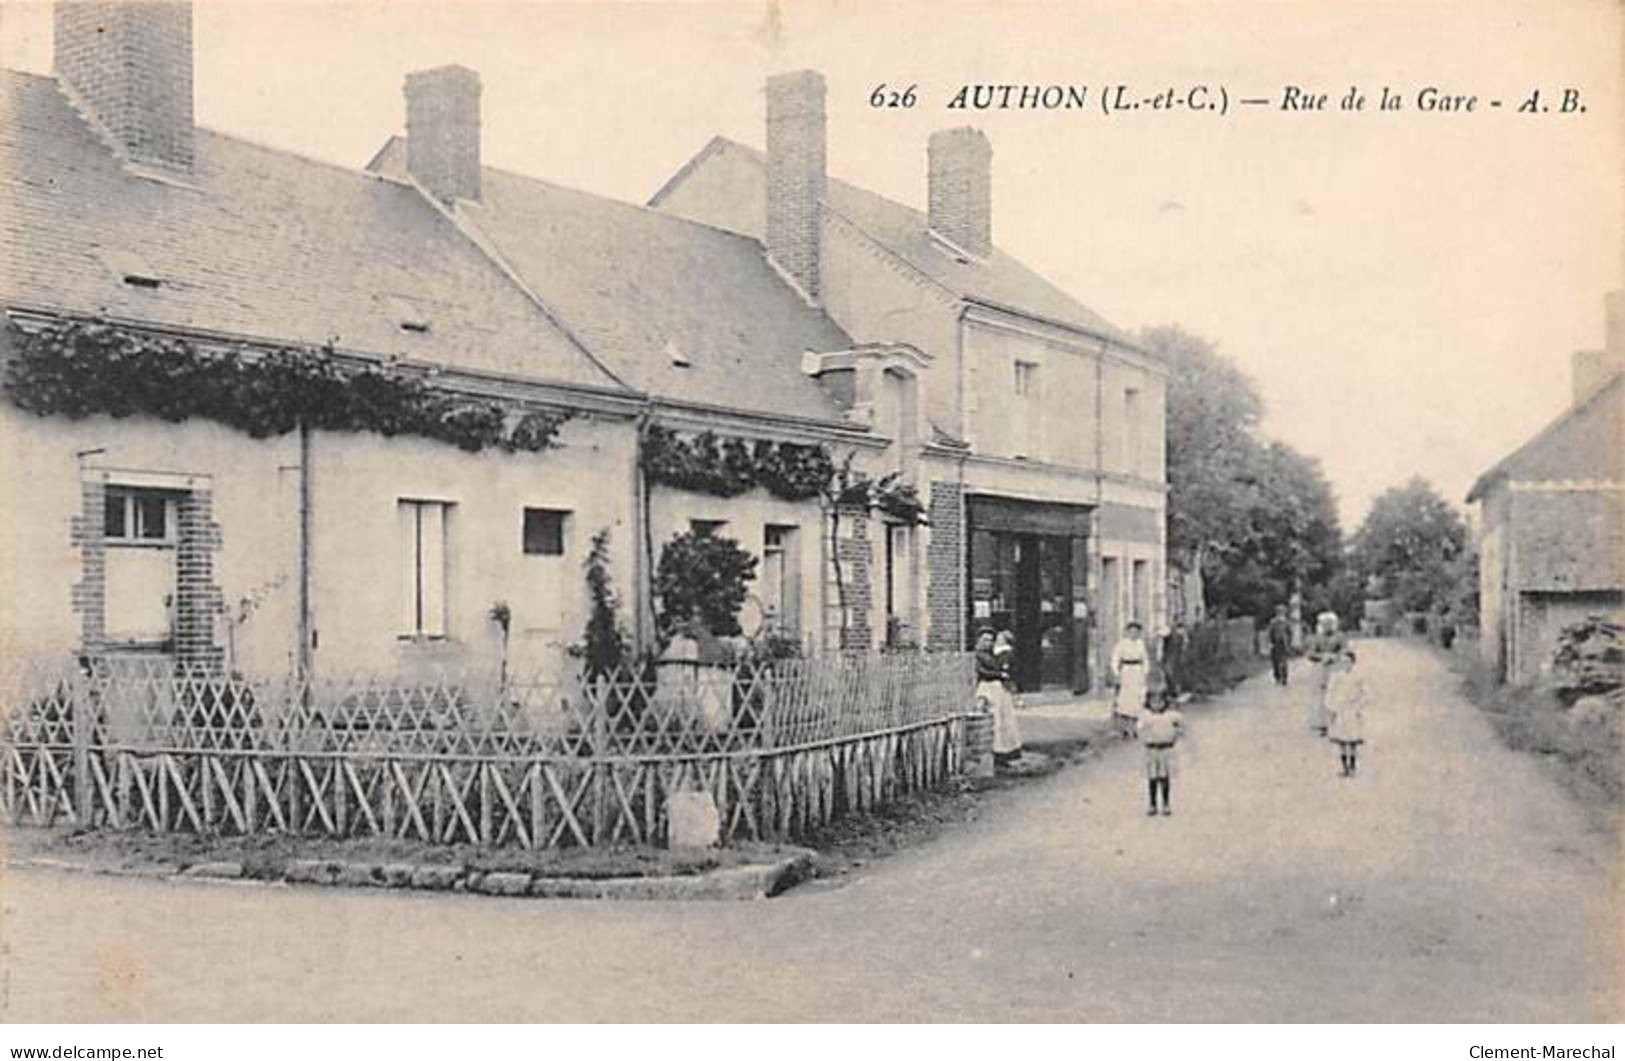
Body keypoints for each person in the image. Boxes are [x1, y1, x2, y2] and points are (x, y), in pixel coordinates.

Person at [1137, 686, 1184, 816]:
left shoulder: (1171, 716)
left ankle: (1166, 803)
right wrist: (1145, 739)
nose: (1157, 705)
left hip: (1166, 750)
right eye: (1153, 702)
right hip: (1152, 750)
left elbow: (1181, 726)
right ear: (1148, 703)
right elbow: (1140, 731)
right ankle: (1152, 803)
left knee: (1165, 778)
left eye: (1160, 702)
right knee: (1152, 778)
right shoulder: (1145, 717)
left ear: (1165, 702)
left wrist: (1175, 736)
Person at [1325, 649, 1369, 777]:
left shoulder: (1359, 676)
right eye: (1343, 662)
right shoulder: (1336, 676)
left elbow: (1367, 693)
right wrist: (1331, 707)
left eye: (1348, 662)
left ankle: (1353, 766)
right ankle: (1345, 768)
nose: (1345, 664)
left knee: (1353, 739)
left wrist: (1359, 706)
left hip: (1352, 710)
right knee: (1342, 740)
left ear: (1353, 662)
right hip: (1340, 709)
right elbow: (1330, 692)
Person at [1304, 611, 1348, 735]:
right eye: (1324, 623)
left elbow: (1346, 650)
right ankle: (1322, 724)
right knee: (1321, 696)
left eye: (1329, 623)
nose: (1327, 626)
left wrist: (1336, 656)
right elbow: (1310, 653)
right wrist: (1322, 656)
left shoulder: (1340, 636)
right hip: (1321, 669)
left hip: (1336, 668)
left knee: (1336, 694)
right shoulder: (1317, 638)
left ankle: (1335, 721)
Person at [1110, 621, 1151, 738]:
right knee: (1124, 700)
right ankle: (1124, 728)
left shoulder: (1141, 644)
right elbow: (1115, 658)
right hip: (1126, 672)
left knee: (1137, 699)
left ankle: (1135, 727)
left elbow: (1145, 659)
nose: (1134, 634)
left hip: (1137, 672)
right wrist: (1116, 672)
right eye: (1131, 631)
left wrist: (1145, 672)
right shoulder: (1121, 644)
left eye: (1136, 632)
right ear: (1127, 632)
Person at [991, 630, 1024, 765]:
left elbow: (1006, 671)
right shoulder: (996, 652)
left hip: (1002, 688)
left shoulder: (1006, 654)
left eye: (1000, 638)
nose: (997, 639)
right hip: (997, 687)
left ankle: (1005, 749)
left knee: (1003, 718)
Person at [1266, 604, 1294, 687]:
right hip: (1275, 643)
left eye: (1282, 612)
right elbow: (1270, 633)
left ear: (1284, 613)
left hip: (1284, 644)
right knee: (1276, 662)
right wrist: (1270, 642)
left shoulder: (1287, 622)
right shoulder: (1273, 622)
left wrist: (1289, 642)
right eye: (1279, 612)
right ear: (1276, 613)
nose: (1280, 613)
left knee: (1284, 662)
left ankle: (1284, 678)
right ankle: (1277, 677)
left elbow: (1290, 633)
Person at [1160, 621, 1189, 699]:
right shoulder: (1171, 635)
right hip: (1170, 658)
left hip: (1176, 658)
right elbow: (1162, 638)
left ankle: (1173, 692)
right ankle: (1171, 692)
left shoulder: (1182, 637)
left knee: (1174, 675)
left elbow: (1184, 648)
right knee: (1170, 674)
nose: (1182, 631)